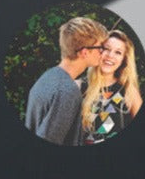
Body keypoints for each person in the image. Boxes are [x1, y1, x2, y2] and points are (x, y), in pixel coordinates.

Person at [24, 16, 108, 146]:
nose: (103, 53)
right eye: (100, 48)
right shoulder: (67, 91)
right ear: (85, 52)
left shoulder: (48, 76)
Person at [80, 29, 143, 144]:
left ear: (124, 60)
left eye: (118, 52)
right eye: (106, 49)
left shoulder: (129, 91)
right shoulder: (78, 87)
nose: (110, 56)